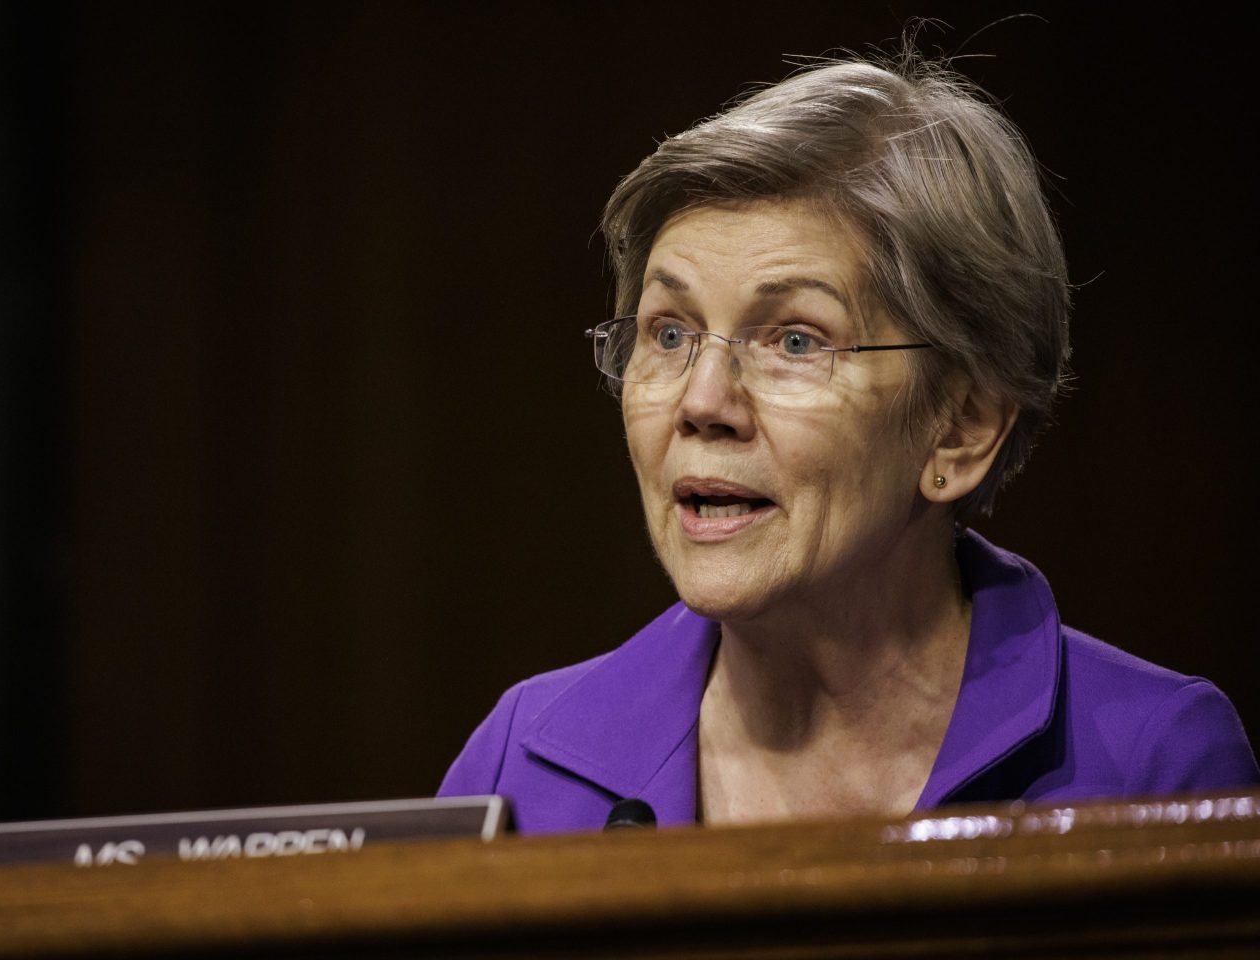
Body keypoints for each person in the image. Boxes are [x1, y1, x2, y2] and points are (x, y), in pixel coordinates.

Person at [438, 54, 1259, 833]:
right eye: (670, 332)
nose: (701, 402)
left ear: (961, 429)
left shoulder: (1152, 767)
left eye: (795, 341)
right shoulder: (522, 771)